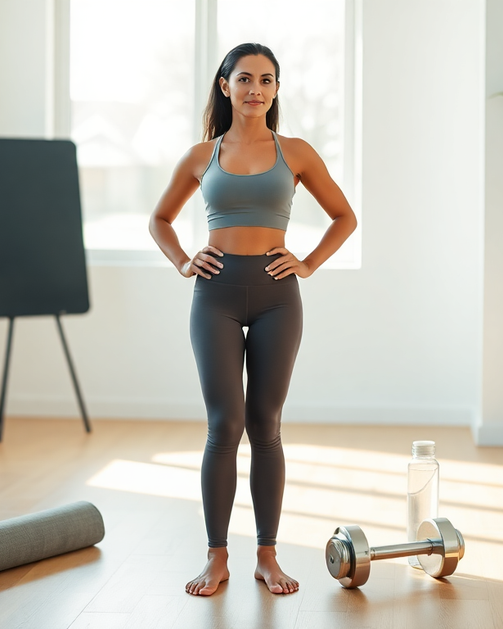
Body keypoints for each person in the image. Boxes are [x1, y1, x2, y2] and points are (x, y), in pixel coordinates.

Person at [149, 42, 357, 597]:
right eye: (244, 79)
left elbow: (344, 217)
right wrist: (182, 260)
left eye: (266, 80)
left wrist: (308, 263)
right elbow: (160, 220)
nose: (255, 89)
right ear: (225, 86)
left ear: (277, 89)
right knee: (225, 425)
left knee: (266, 426)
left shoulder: (296, 152)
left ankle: (266, 555)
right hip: (214, 294)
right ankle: (217, 558)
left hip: (276, 297)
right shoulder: (201, 155)